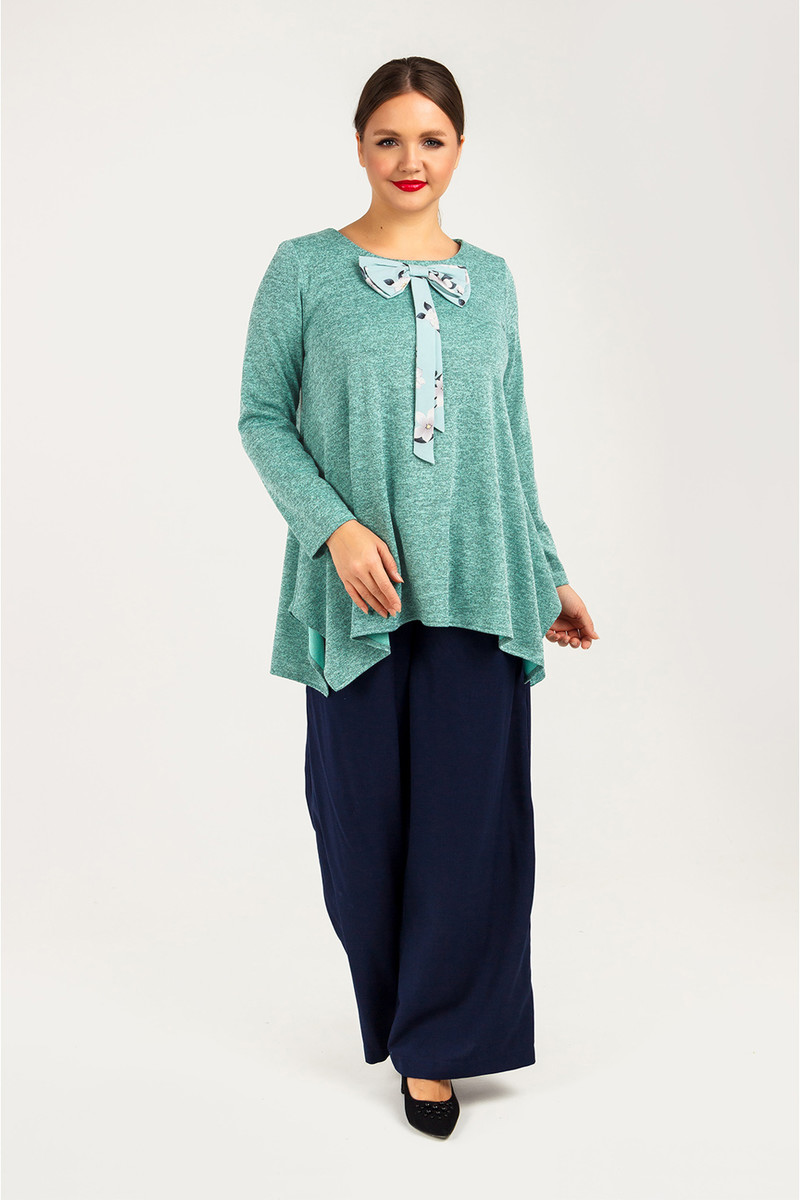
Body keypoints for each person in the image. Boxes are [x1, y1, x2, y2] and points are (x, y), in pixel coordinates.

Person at [239, 55, 599, 1140]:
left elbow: (509, 440)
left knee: (467, 830)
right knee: (361, 828)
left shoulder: (494, 280)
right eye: (389, 138)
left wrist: (546, 569)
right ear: (359, 145)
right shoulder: (304, 269)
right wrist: (334, 527)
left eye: (431, 140)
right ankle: (407, 1007)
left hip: (482, 587)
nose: (411, 160)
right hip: (354, 592)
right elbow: (261, 417)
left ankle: (435, 1048)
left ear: (458, 150)